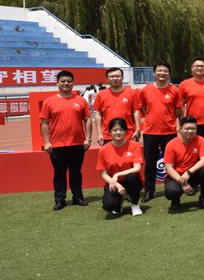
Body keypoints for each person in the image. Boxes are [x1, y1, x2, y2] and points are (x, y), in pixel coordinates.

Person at [40, 70, 92, 210]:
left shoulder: (80, 101)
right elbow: (44, 123)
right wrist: (46, 142)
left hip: (77, 143)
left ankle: (78, 197)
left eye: (69, 81)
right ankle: (60, 200)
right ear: (57, 83)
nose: (66, 83)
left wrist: (88, 138)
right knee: (59, 174)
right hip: (57, 145)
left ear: (73, 83)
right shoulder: (49, 101)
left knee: (76, 172)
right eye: (63, 81)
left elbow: (87, 120)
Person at [137, 61, 182, 202]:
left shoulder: (174, 90)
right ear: (154, 73)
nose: (162, 73)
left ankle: (173, 188)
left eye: (165, 71)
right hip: (150, 132)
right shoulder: (146, 90)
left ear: (169, 73)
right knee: (150, 164)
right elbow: (143, 109)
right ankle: (149, 191)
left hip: (169, 132)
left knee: (172, 163)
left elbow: (178, 111)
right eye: (159, 70)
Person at [163, 116, 204, 211]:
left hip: (192, 174)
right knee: (172, 192)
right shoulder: (171, 144)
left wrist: (188, 172)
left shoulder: (201, 140)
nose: (190, 131)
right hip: (176, 176)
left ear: (196, 129)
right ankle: (175, 201)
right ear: (180, 129)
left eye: (193, 129)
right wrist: (182, 182)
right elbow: (168, 168)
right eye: (187, 128)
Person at [97, 118, 144, 216]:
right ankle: (121, 200)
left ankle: (135, 204)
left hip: (131, 182)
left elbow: (137, 168)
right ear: (110, 132)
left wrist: (117, 174)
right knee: (109, 206)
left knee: (132, 176)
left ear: (126, 131)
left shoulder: (134, 145)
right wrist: (116, 184)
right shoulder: (104, 150)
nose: (118, 132)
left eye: (121, 130)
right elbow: (103, 174)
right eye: (115, 130)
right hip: (113, 183)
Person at [93, 67, 140, 145]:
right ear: (107, 79)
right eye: (112, 76)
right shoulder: (101, 94)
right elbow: (98, 115)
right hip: (108, 135)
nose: (115, 79)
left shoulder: (132, 93)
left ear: (122, 78)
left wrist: (138, 129)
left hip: (128, 134)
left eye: (117, 76)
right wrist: (99, 133)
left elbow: (136, 112)